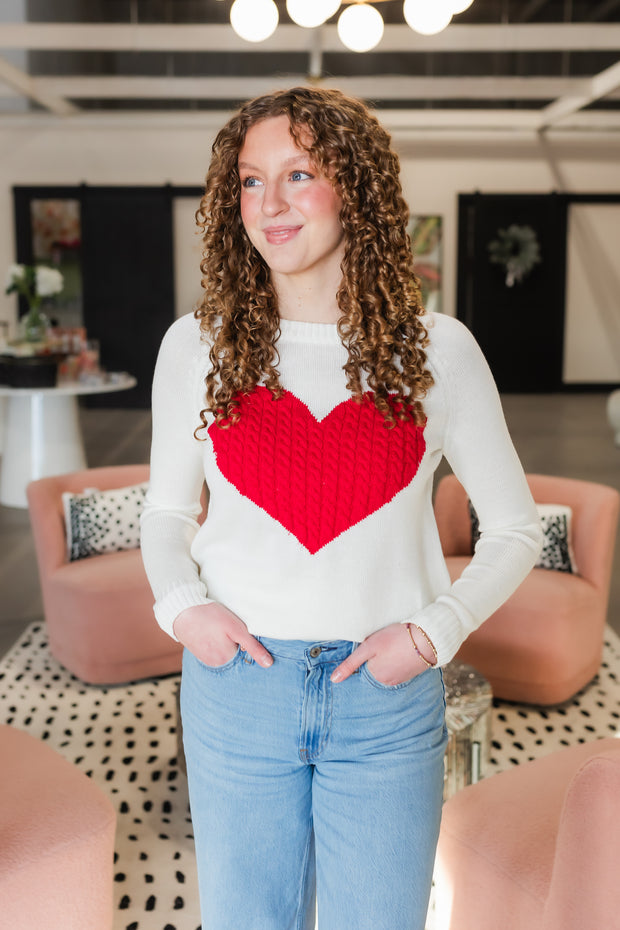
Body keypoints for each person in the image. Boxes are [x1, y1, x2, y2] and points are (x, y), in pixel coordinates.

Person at [140, 86, 542, 930]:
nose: (270, 205)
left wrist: (435, 631)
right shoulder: (195, 346)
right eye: (250, 182)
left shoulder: (440, 352)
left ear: (355, 189)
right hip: (236, 684)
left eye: (298, 174)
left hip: (385, 696)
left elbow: (514, 527)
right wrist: (184, 610)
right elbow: (168, 516)